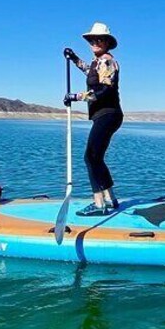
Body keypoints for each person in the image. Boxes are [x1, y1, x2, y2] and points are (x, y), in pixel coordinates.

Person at [63, 22, 124, 216]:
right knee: (96, 157)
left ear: (107, 42)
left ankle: (99, 203)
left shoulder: (107, 61)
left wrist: (76, 97)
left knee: (90, 157)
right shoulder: (99, 62)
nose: (95, 42)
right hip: (105, 115)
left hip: (108, 113)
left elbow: (103, 90)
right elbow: (90, 72)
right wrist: (74, 58)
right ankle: (111, 199)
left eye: (99, 39)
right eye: (92, 40)